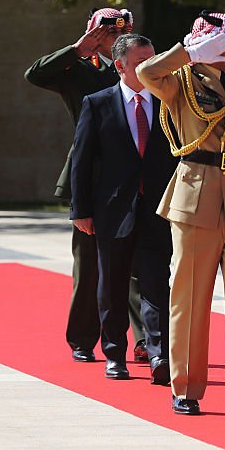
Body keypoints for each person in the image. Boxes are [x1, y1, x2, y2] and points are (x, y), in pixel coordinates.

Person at [136, 11, 225, 423]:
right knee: (190, 299)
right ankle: (185, 386)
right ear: (214, 44)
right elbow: (145, 72)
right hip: (195, 199)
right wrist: (188, 51)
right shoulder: (179, 81)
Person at [25, 8, 146, 363]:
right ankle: (82, 338)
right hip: (92, 177)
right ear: (93, 35)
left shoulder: (134, 71)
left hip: (133, 174)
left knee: (139, 261)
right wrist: (77, 50)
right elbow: (34, 74)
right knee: (90, 263)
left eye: (120, 35)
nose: (113, 41)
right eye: (107, 35)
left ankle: (142, 339)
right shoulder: (75, 71)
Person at [70, 34, 177, 384]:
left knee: (157, 284)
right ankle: (114, 353)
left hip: (158, 210)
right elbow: (82, 162)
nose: (150, 68)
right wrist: (81, 210)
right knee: (112, 287)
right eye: (141, 63)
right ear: (120, 66)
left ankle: (160, 352)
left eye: (153, 60)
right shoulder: (97, 103)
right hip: (113, 212)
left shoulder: (169, 102)